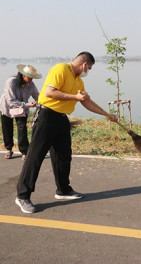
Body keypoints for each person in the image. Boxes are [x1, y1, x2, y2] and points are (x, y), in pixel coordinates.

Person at [15, 51, 118, 214]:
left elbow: (86, 102)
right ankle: (23, 196)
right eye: (89, 68)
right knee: (35, 157)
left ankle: (63, 190)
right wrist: (75, 97)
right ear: (84, 65)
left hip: (61, 118)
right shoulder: (60, 69)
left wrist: (107, 115)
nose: (88, 72)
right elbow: (50, 92)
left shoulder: (77, 80)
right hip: (46, 116)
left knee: (63, 156)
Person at [0, 65, 41, 160]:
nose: (31, 79)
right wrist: (28, 105)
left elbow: (37, 96)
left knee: (22, 129)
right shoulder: (11, 82)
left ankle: (24, 151)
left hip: (22, 109)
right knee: (7, 128)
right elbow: (11, 101)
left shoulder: (31, 84)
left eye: (32, 77)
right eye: (30, 77)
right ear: (23, 76)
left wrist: (42, 103)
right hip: (7, 107)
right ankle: (9, 149)